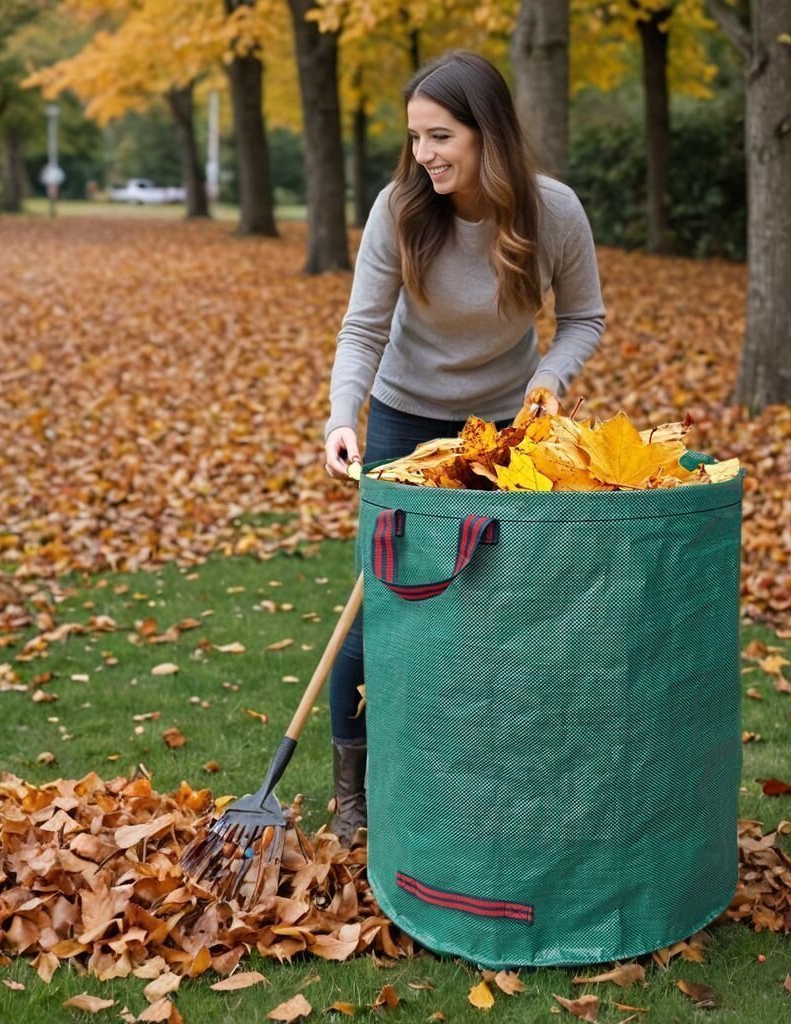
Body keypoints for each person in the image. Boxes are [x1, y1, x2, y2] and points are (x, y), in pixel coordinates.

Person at [323, 50, 606, 844]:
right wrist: (345, 416)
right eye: (415, 138)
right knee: (379, 602)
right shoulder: (401, 208)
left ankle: (478, 764)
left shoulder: (553, 213)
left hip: (504, 430)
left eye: (440, 136)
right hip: (406, 419)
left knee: (493, 600)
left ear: (489, 133)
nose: (424, 156)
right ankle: (355, 790)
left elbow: (584, 317)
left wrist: (550, 375)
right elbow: (363, 327)